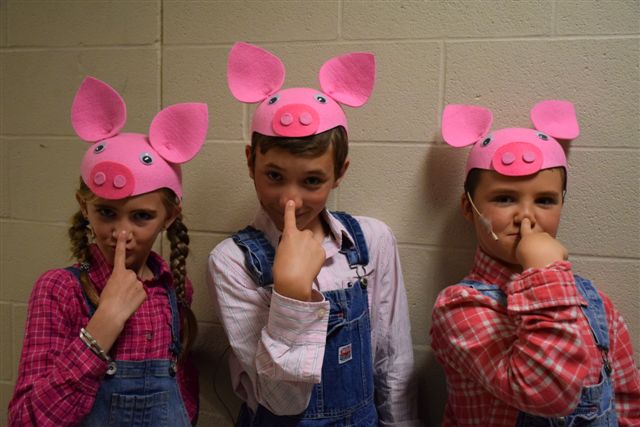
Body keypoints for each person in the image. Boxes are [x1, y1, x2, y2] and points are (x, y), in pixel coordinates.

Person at [208, 42, 420, 426]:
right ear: (250, 162)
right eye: (274, 176)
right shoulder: (232, 261)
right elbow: (281, 401)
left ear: (339, 173)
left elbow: (393, 362)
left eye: (312, 181)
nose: (290, 200)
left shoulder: (372, 241)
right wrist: (291, 295)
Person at [8, 77, 208, 426]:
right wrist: (103, 326)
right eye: (106, 212)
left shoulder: (175, 289)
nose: (121, 233)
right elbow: (26, 419)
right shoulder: (60, 291)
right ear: (84, 206)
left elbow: (183, 393)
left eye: (141, 216)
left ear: (169, 216)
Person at [430, 100, 640, 426]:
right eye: (504, 198)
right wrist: (543, 272)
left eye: (544, 201)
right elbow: (548, 394)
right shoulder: (459, 307)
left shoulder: (597, 305)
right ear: (469, 208)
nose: (526, 216)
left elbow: (627, 403)